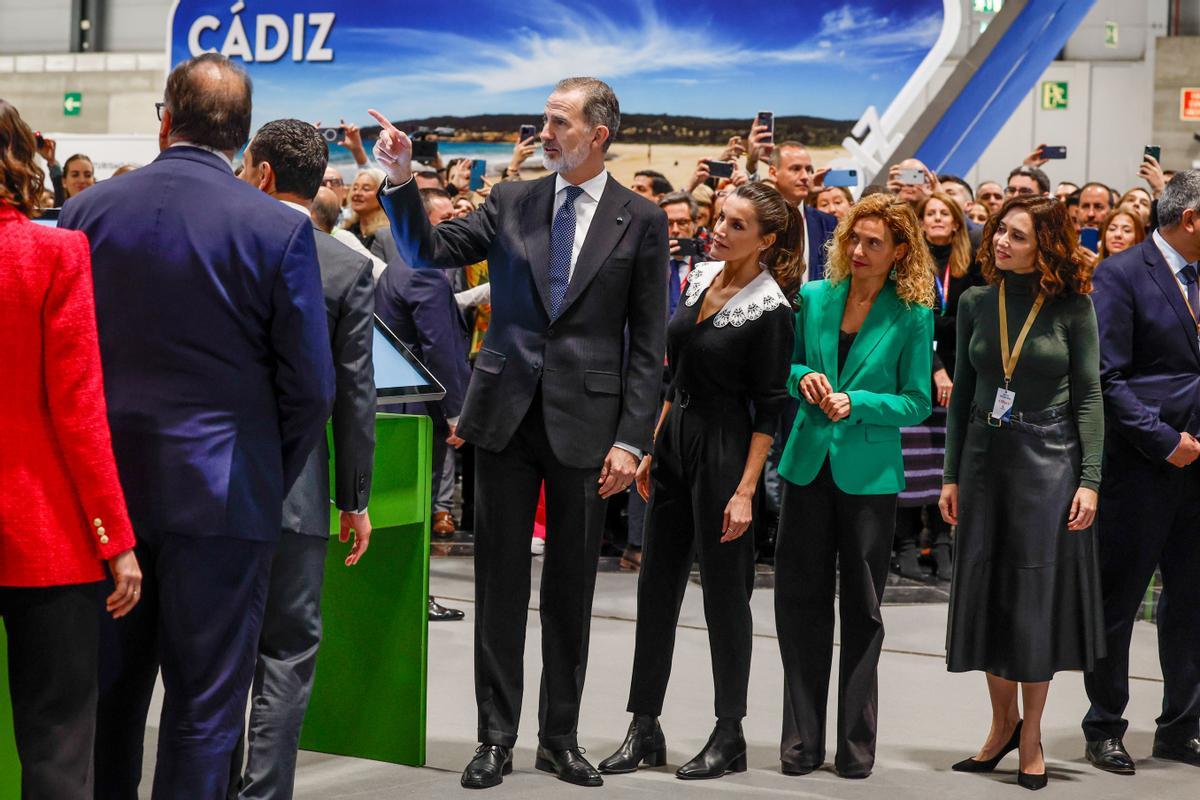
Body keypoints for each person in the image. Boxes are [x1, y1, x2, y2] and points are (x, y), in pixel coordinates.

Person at [370, 75, 668, 790]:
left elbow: (648, 342)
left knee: (570, 590)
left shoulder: (641, 218)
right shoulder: (512, 199)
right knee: (498, 586)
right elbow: (426, 248)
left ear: (598, 134)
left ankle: (559, 738)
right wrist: (402, 175)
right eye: (544, 119)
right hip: (502, 417)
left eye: (558, 122)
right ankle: (495, 738)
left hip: (589, 428)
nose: (544, 132)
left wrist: (634, 439)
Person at [58, 54, 335, 799]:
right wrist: (261, 464)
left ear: (164, 120)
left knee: (108, 700)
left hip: (105, 498)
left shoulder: (86, 213)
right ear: (244, 140)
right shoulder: (276, 229)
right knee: (207, 708)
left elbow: (66, 364)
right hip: (225, 496)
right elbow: (311, 387)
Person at [599, 182, 795, 780]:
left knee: (724, 598)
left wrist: (745, 489)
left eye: (737, 225)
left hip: (728, 448)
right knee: (655, 588)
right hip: (678, 440)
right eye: (720, 218)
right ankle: (644, 724)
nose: (720, 228)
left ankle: (729, 730)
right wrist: (655, 444)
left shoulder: (774, 309)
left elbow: (770, 407)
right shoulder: (699, 279)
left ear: (765, 240)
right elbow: (674, 371)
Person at [229, 118, 376, 800]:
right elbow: (354, 394)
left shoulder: (220, 244)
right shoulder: (345, 267)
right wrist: (354, 498)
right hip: (299, 488)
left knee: (214, 655)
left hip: (213, 481)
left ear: (260, 172)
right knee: (286, 655)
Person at [0, 98, 142, 800]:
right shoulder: (54, 252)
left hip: (42, 538)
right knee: (58, 745)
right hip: (44, 535)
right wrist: (115, 538)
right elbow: (79, 408)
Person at [940, 196, 1104, 791]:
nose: (1000, 242)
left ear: (1047, 246)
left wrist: (1090, 479)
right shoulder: (975, 301)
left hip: (1050, 463)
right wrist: (950, 474)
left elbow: (1089, 395)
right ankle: (1000, 723)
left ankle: (1030, 732)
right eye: (999, 231)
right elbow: (961, 396)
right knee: (987, 592)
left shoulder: (1072, 306)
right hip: (984, 459)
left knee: (1034, 598)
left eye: (1017, 235)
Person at [775, 193, 935, 779]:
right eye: (853, 239)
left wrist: (859, 401)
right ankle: (800, 742)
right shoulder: (816, 298)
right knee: (799, 605)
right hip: (807, 464)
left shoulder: (912, 314)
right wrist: (805, 379)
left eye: (874, 243)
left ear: (899, 252)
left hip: (868, 475)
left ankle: (855, 746)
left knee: (862, 611)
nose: (860, 250)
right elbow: (786, 368)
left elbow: (917, 399)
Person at [1083, 170, 1200, 774]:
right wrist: (1163, 441)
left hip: (1199, 466)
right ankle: (1104, 725)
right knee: (1117, 601)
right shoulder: (1122, 272)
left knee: (1191, 603)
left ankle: (1182, 726)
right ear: (1191, 219)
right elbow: (1106, 378)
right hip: (1142, 466)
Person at [375, 187, 471, 545]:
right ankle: (416, 600)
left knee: (400, 503)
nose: (456, 224)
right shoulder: (424, 270)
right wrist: (456, 413)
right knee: (414, 504)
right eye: (446, 218)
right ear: (423, 222)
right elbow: (439, 347)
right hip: (416, 403)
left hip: (397, 400)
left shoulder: (404, 261)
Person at [893, 192, 979, 582]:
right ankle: (908, 543)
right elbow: (911, 321)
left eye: (946, 213)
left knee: (948, 460)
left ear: (958, 221)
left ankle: (944, 542)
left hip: (962, 372)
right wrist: (937, 369)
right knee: (913, 460)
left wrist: (961, 372)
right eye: (931, 213)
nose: (938, 219)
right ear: (921, 221)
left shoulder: (971, 264)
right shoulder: (911, 262)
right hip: (917, 370)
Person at [767, 141, 838, 280]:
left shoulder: (827, 222)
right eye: (795, 169)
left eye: (809, 169)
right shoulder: (759, 219)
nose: (805, 176)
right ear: (773, 173)